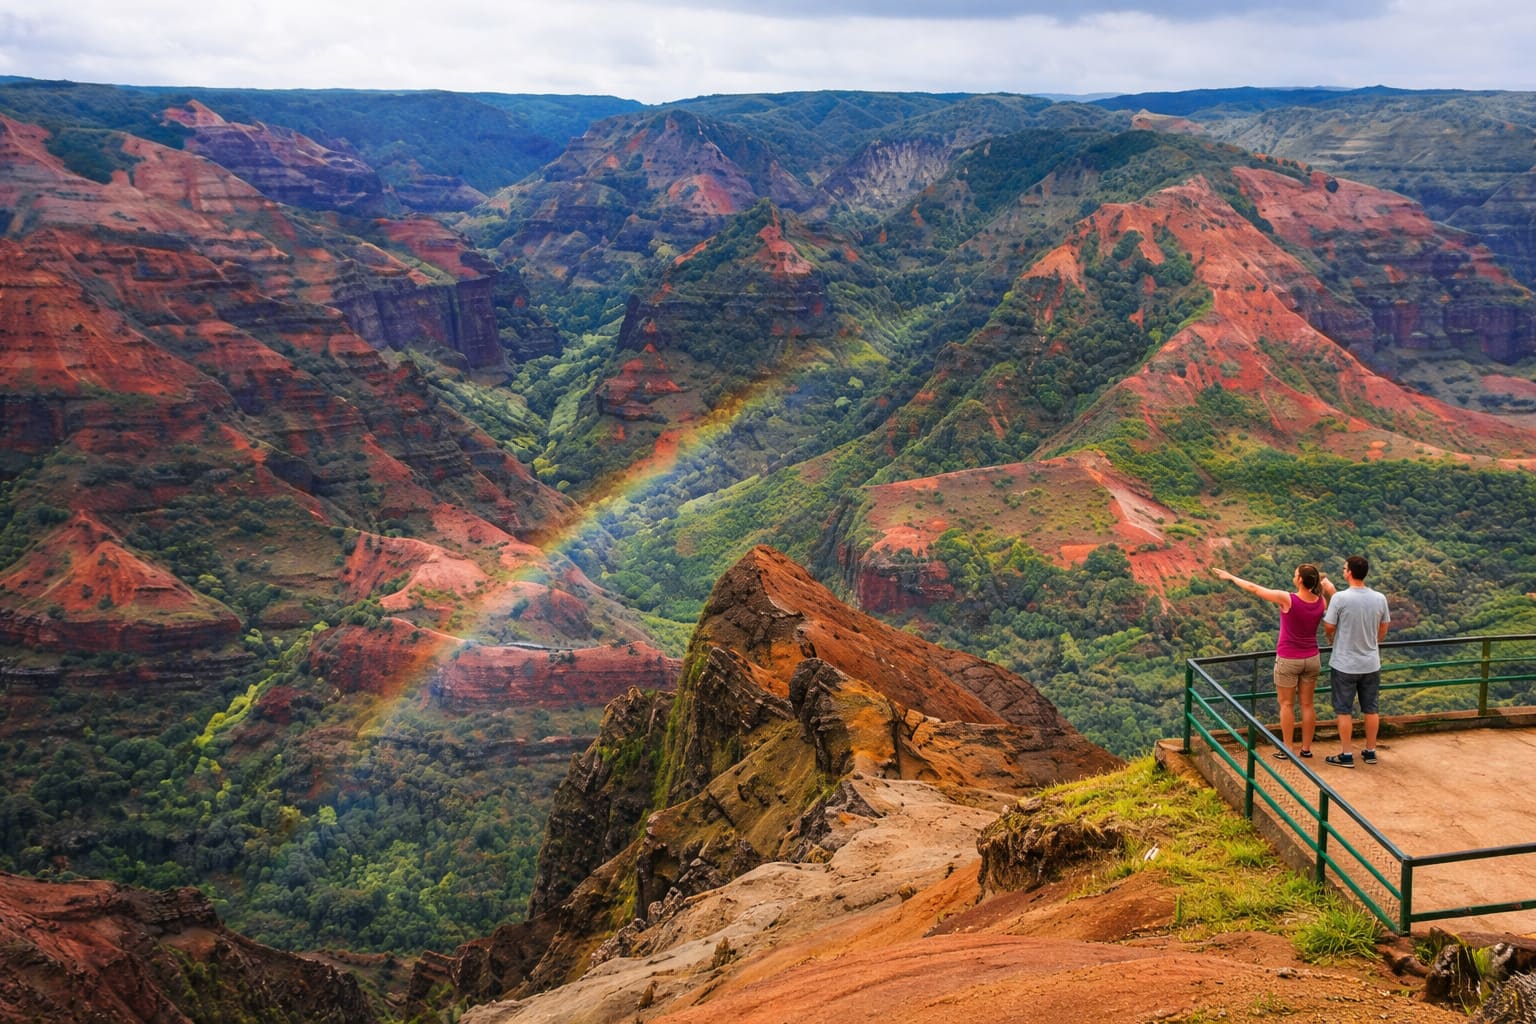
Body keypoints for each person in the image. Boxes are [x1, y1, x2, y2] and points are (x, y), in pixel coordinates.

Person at [1211, 563, 1335, 759]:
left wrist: (1232, 577)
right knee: (1307, 705)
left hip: (1288, 659)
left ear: (1300, 580)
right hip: (1312, 658)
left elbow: (1255, 589)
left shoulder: (1288, 599)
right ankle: (1306, 749)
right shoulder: (1321, 602)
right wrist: (1331, 590)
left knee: (1286, 705)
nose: (1294, 576)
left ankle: (1287, 750)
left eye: (1296, 574)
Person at [1323, 554, 1391, 768]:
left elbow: (1329, 625)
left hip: (1345, 663)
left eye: (1344, 568)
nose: (1344, 571)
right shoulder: (1379, 598)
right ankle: (1370, 751)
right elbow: (1384, 626)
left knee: (1344, 710)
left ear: (1349, 572)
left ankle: (1346, 754)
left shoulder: (1339, 598)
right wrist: (1374, 642)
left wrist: (1332, 638)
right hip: (1371, 662)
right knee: (1371, 708)